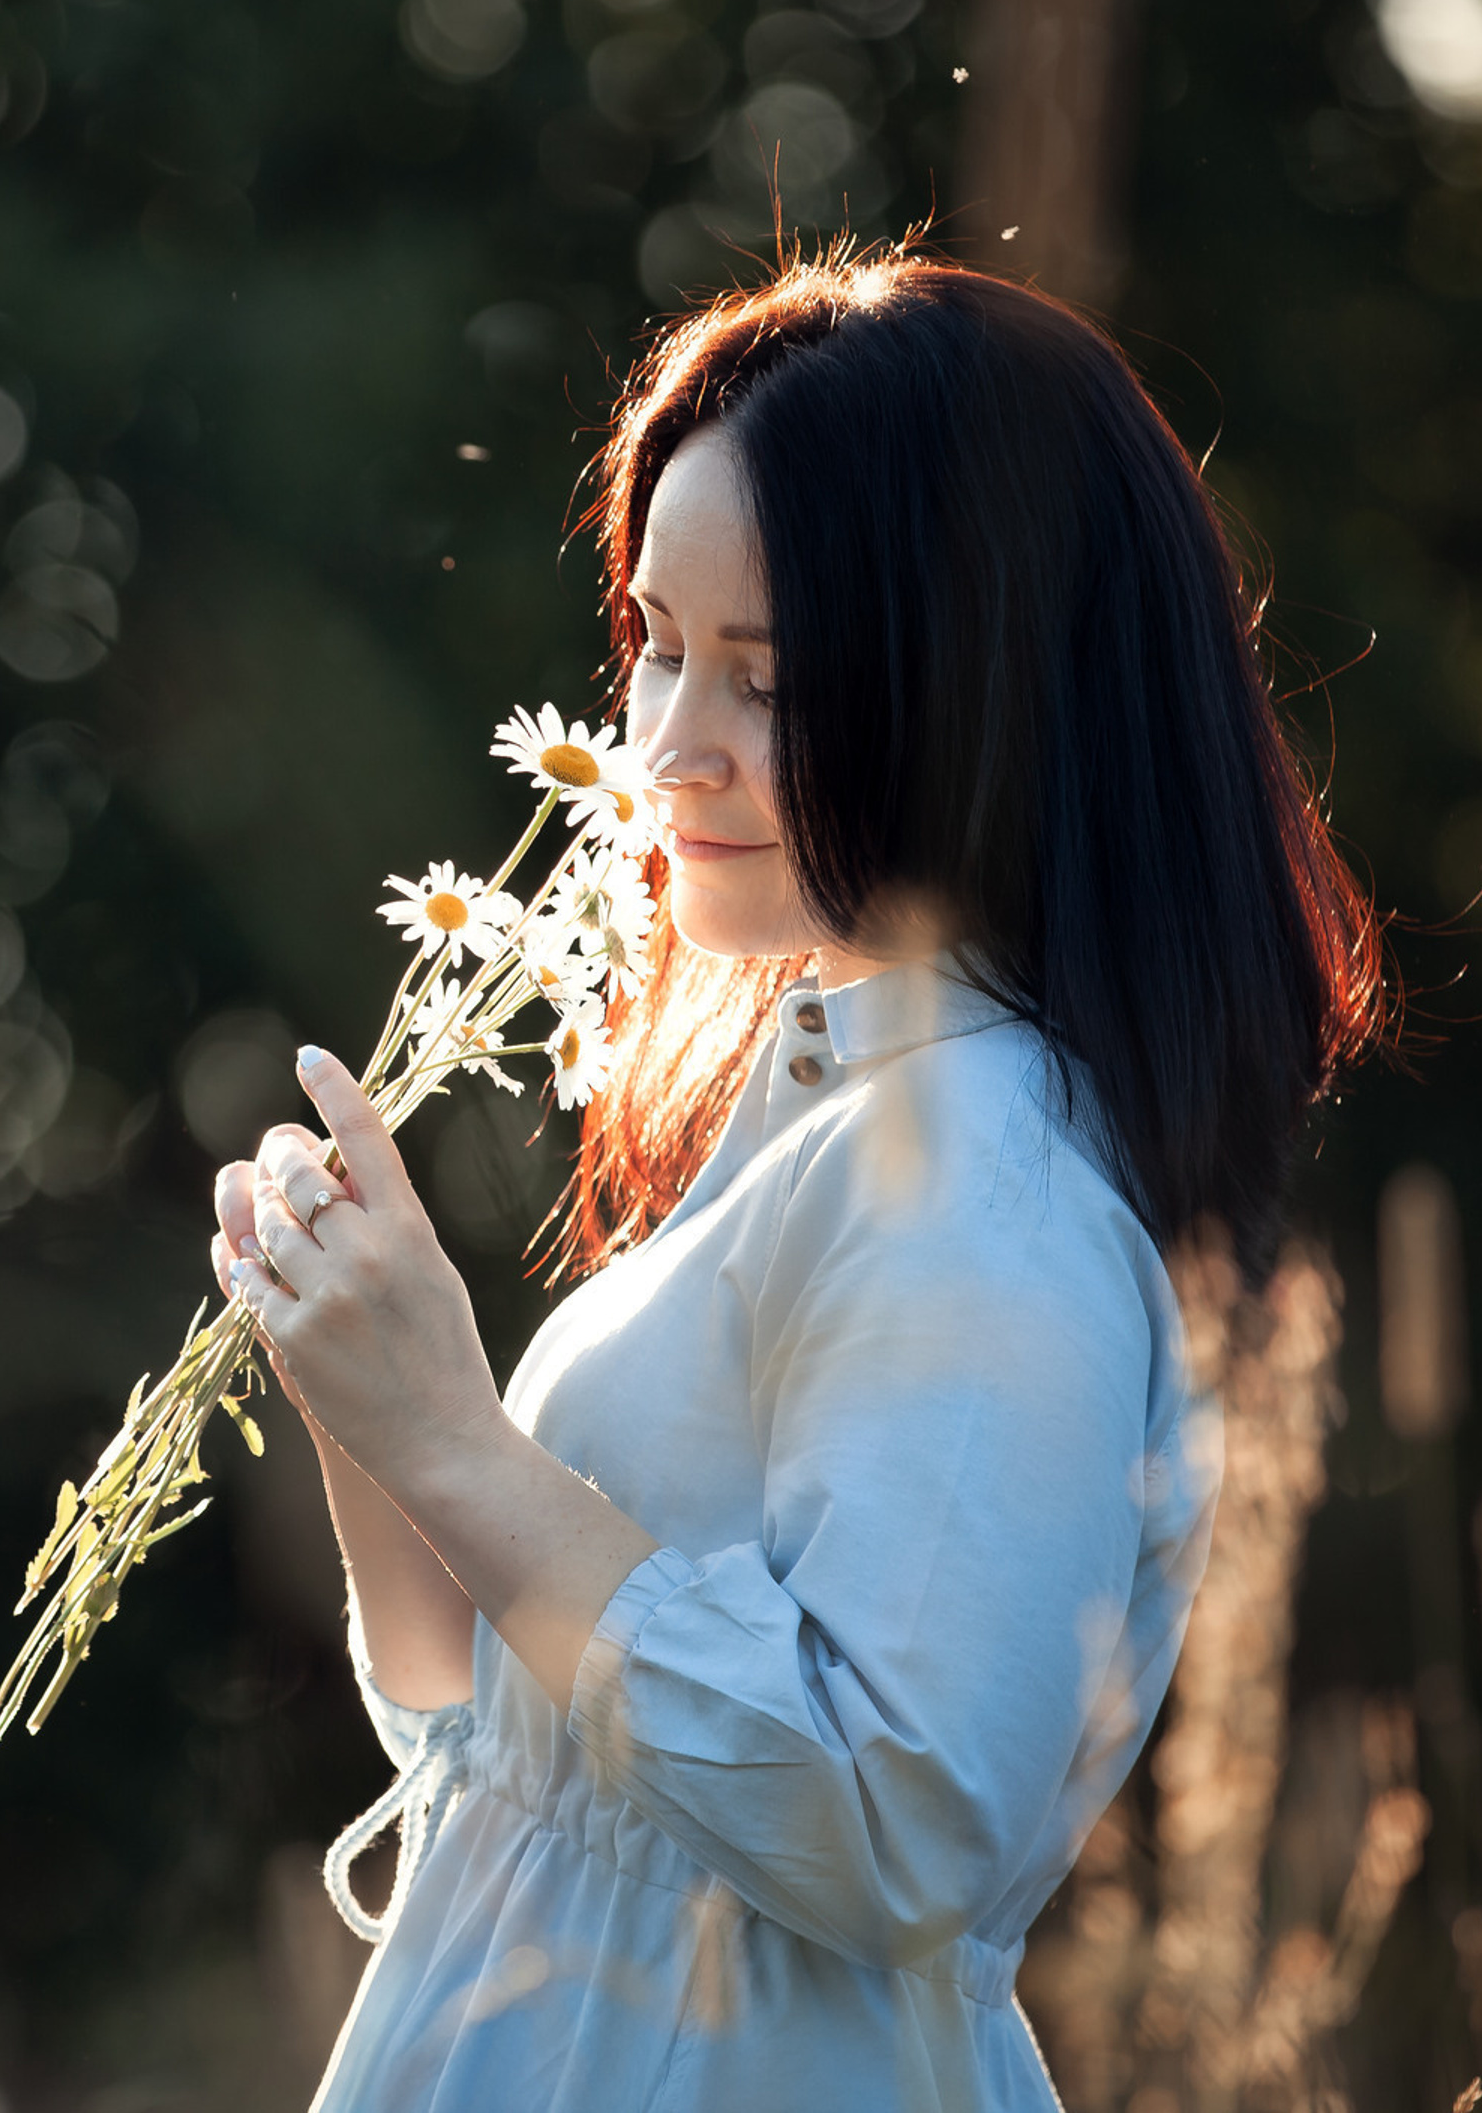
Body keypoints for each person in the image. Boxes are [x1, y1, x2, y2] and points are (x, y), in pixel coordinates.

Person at [209, 244, 1386, 2111]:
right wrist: (370, 1396)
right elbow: (495, 1749)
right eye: (658, 644)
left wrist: (452, 1435)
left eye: (764, 680)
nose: (664, 750)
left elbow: (894, 1823)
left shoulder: (989, 1188)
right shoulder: (834, 1111)